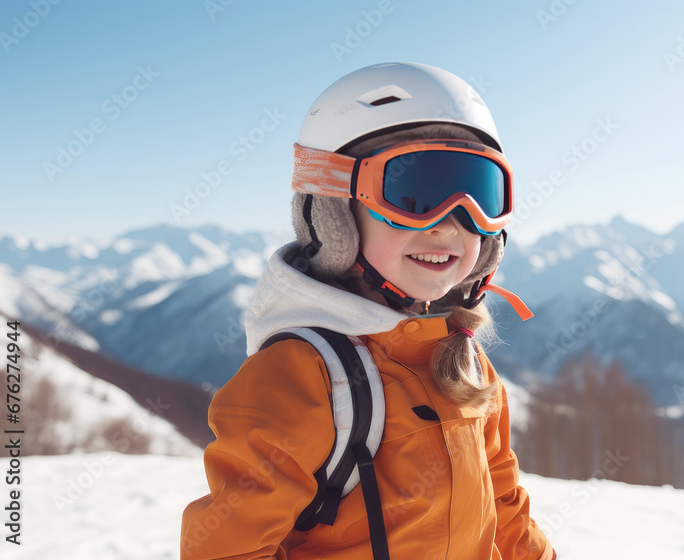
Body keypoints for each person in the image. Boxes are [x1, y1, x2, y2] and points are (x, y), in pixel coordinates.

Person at [180, 62, 556, 560]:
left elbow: (503, 507)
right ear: (335, 214)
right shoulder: (301, 376)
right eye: (414, 192)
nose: (450, 222)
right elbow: (227, 548)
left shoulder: (464, 362)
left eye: (478, 193)